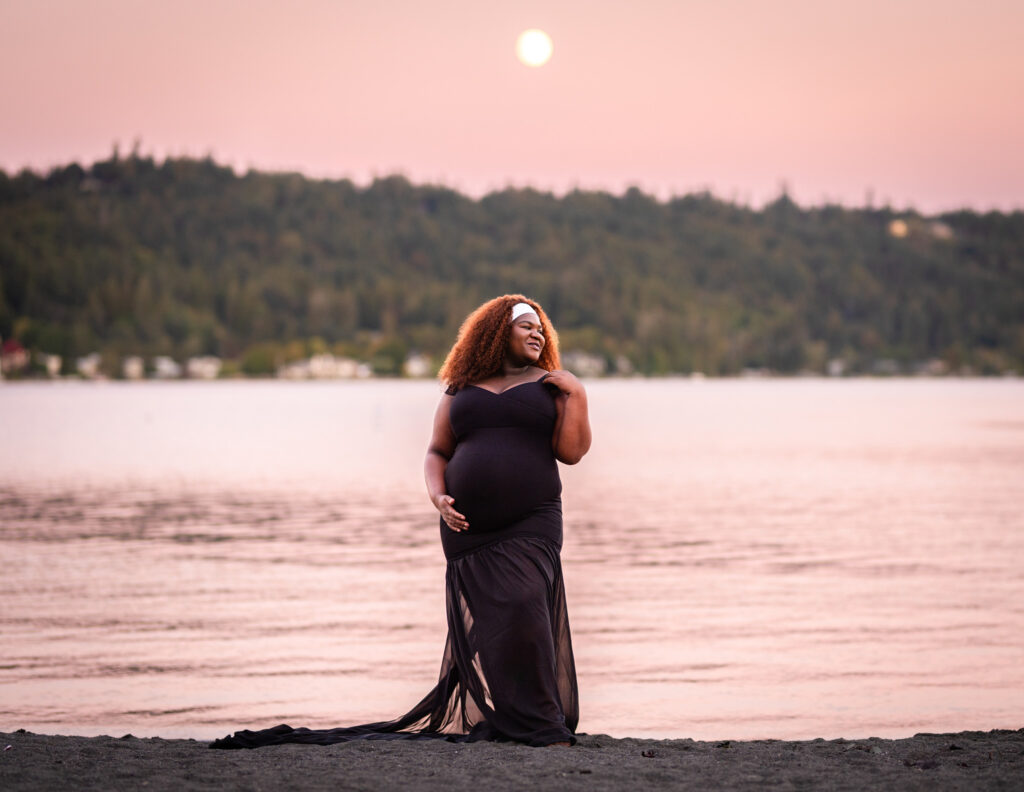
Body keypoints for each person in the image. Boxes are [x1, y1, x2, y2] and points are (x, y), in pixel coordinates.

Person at [210, 294, 591, 749]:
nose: (538, 334)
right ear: (495, 332)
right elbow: (437, 452)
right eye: (526, 326)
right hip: (469, 531)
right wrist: (438, 496)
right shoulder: (461, 388)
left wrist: (578, 394)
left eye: (540, 329)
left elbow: (571, 453)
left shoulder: (553, 384)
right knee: (496, 625)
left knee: (526, 609)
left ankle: (543, 723)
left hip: (532, 521)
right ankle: (518, 720)